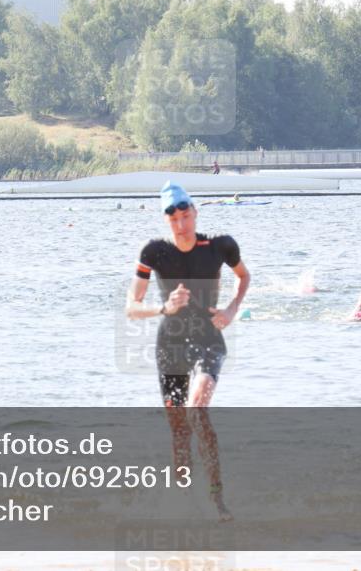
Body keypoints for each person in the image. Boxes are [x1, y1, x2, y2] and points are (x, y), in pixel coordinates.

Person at [125, 181, 251, 521]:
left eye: (186, 216)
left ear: (195, 212)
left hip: (209, 339)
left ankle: (217, 498)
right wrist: (163, 308)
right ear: (166, 221)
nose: (181, 225)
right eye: (174, 219)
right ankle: (183, 505)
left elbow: (244, 277)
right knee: (180, 432)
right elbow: (131, 307)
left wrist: (231, 310)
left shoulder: (220, 246)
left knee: (197, 408)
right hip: (170, 347)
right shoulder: (153, 252)